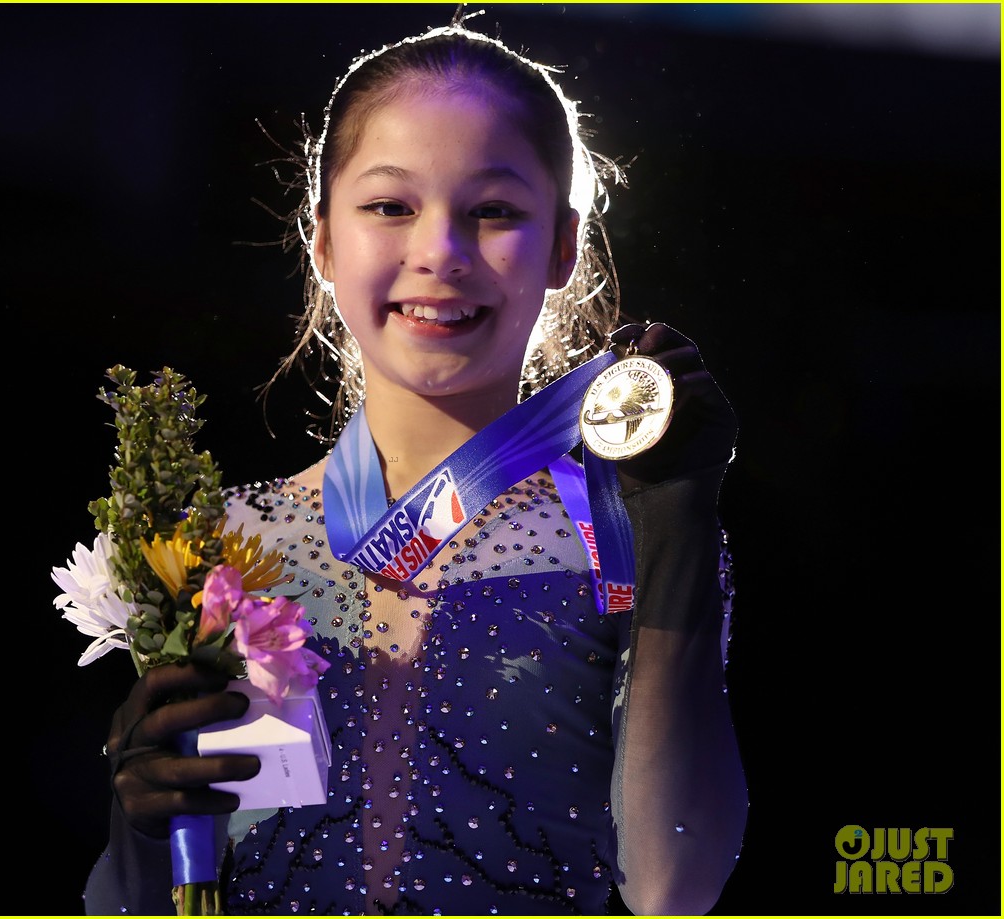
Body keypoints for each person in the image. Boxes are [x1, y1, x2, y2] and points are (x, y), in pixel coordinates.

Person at [85, 15, 748, 916]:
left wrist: (679, 519)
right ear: (322, 239)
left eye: (494, 210)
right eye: (391, 206)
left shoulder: (623, 537)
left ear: (562, 246)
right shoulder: (222, 547)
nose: (439, 252)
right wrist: (139, 831)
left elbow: (676, 887)